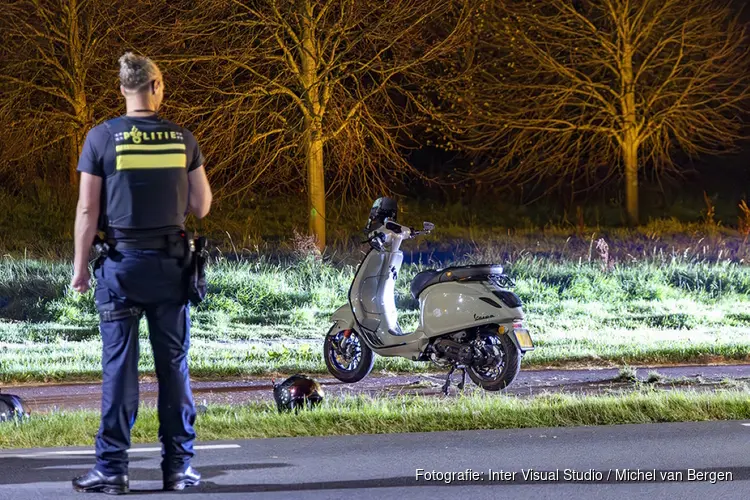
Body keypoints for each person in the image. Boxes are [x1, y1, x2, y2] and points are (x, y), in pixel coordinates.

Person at [69, 52, 212, 494]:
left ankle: (112, 469)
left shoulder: (102, 138)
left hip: (120, 269)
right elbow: (201, 206)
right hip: (171, 269)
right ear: (156, 86)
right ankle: (177, 468)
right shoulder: (182, 139)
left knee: (119, 369)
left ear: (123, 90)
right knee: (173, 369)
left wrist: (79, 271)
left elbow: (89, 209)